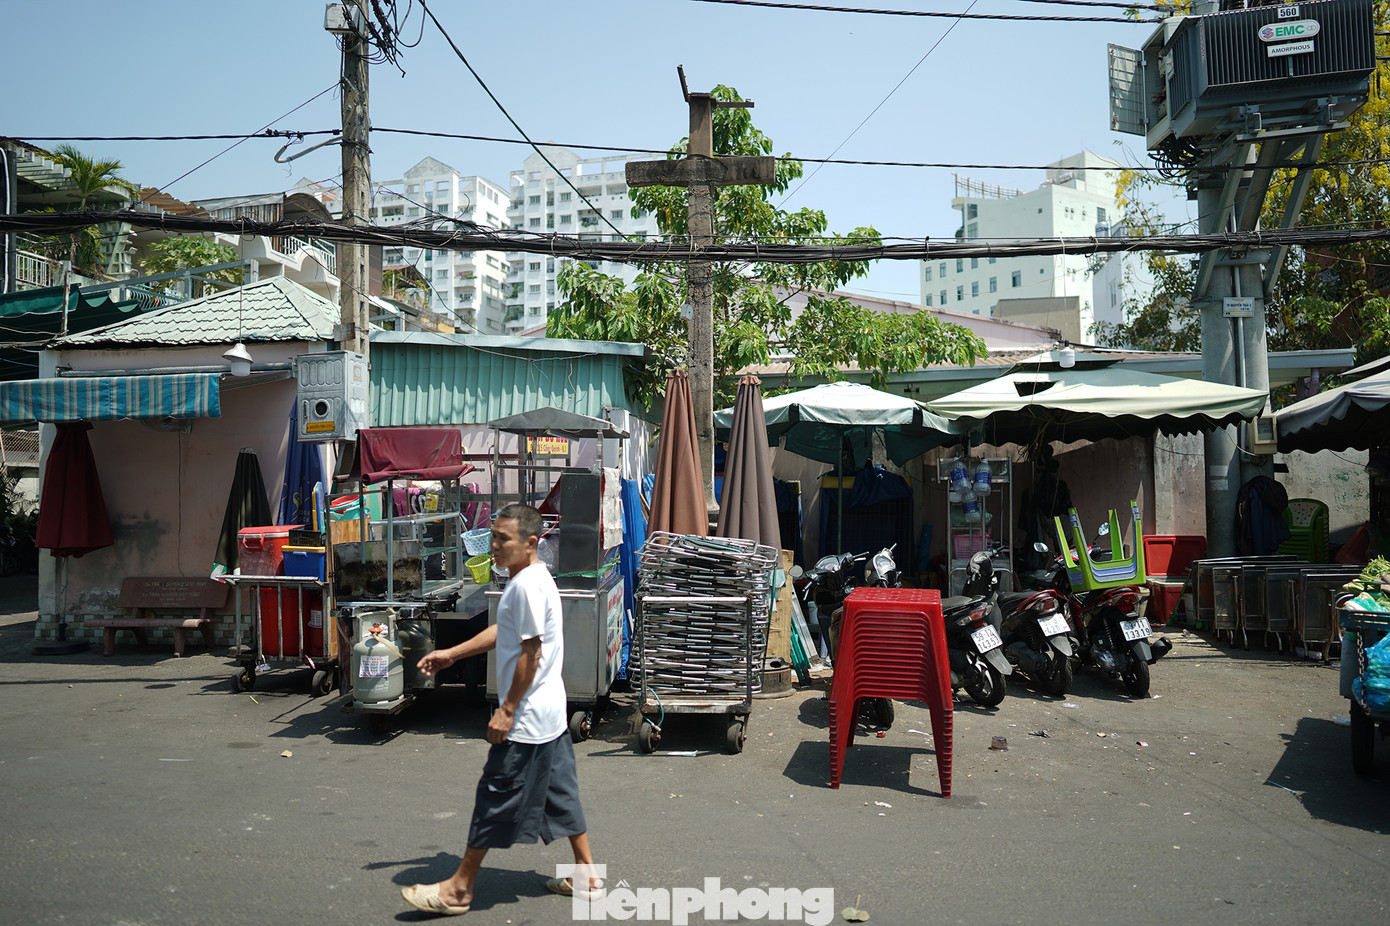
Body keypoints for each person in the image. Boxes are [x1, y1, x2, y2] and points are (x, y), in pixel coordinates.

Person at [400, 503, 600, 917]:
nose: (493, 545)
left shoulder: (526, 585)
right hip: (551, 716)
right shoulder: (532, 577)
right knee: (561, 795)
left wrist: (507, 709)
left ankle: (458, 889)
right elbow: (505, 629)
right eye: (493, 536)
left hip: (526, 720)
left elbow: (531, 652)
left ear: (530, 543)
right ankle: (587, 874)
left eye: (502, 539)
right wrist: (452, 653)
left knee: (494, 797)